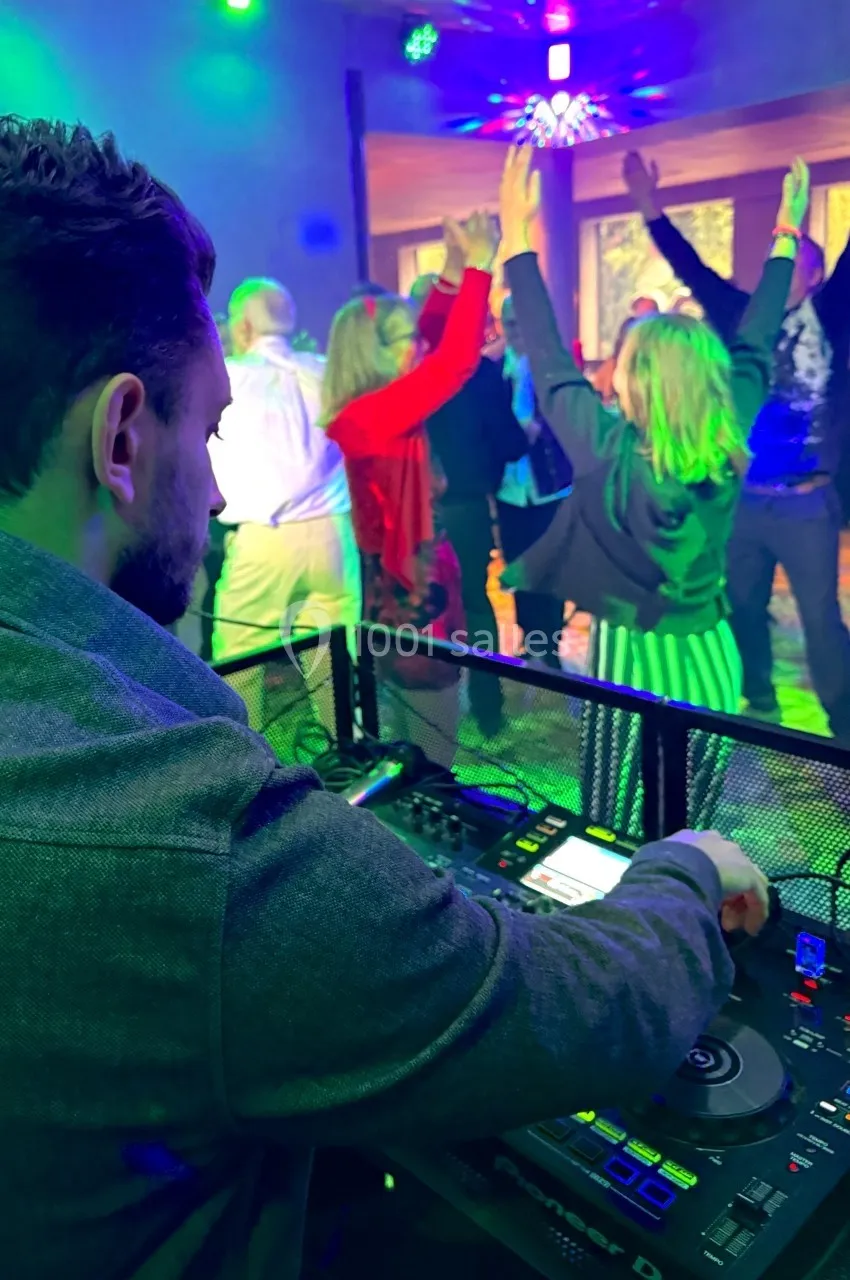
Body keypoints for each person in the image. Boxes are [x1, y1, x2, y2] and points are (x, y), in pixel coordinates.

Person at [0, 117, 771, 1280]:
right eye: (209, 429)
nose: (218, 490)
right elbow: (561, 1007)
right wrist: (685, 869)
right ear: (120, 437)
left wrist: (488, 271)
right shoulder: (195, 840)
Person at [500, 146, 807, 834]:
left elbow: (548, 358)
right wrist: (786, 236)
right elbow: (757, 339)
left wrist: (515, 237)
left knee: (614, 819)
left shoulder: (604, 446)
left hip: (630, 656)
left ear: (633, 378)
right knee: (690, 822)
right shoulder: (730, 429)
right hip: (710, 654)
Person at [624, 151, 850, 734]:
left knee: (821, 617)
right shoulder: (740, 316)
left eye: (795, 261)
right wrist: (648, 204)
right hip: (744, 498)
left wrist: (793, 218)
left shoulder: (830, 314)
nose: (780, 269)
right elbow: (691, 268)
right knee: (743, 606)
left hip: (807, 501)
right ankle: (758, 701)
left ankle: (844, 723)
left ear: (814, 276)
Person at [321, 218, 499, 763]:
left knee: (418, 724)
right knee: (429, 729)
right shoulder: (373, 417)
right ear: (376, 353)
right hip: (412, 591)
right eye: (408, 342)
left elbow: (432, 340)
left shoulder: (374, 409)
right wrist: (479, 268)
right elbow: (454, 361)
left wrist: (453, 269)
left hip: (411, 579)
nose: (421, 347)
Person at [209, 278, 360, 665]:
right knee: (335, 662)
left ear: (243, 326)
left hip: (265, 542)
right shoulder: (325, 372)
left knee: (240, 661)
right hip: (333, 536)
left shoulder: (228, 377)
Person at [412, 247, 529, 736]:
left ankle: (424, 717)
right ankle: (488, 711)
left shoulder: (402, 374)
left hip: (409, 510)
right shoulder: (477, 372)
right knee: (475, 605)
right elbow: (510, 442)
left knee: (415, 610)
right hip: (465, 508)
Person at [497, 293, 572, 667]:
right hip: (509, 489)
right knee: (520, 567)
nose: (516, 331)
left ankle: (550, 647)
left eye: (521, 322)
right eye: (509, 323)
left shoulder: (554, 366)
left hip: (549, 486)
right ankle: (531, 641)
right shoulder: (494, 367)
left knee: (552, 571)